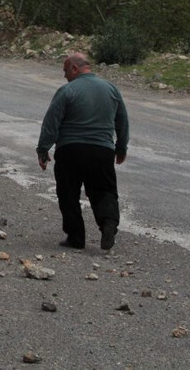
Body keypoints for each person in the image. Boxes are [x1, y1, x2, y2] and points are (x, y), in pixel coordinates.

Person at [36, 53, 129, 250]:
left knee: (68, 193)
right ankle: (108, 224)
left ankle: (76, 237)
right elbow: (122, 120)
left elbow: (51, 122)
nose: (64, 76)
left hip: (70, 150)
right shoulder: (111, 89)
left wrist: (43, 149)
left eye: (65, 71)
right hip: (102, 151)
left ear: (74, 69)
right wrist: (121, 147)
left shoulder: (67, 91)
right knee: (104, 190)